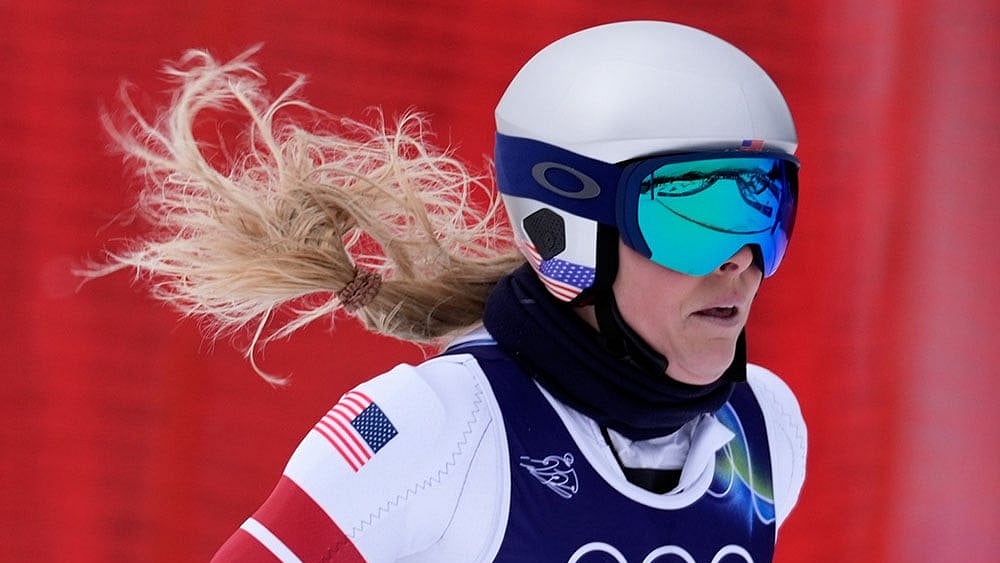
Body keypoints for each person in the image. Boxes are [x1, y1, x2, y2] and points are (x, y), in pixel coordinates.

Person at [90, 20, 806, 562]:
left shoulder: (765, 428)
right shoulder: (425, 426)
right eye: (693, 216)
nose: (741, 259)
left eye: (765, 207)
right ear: (565, 234)